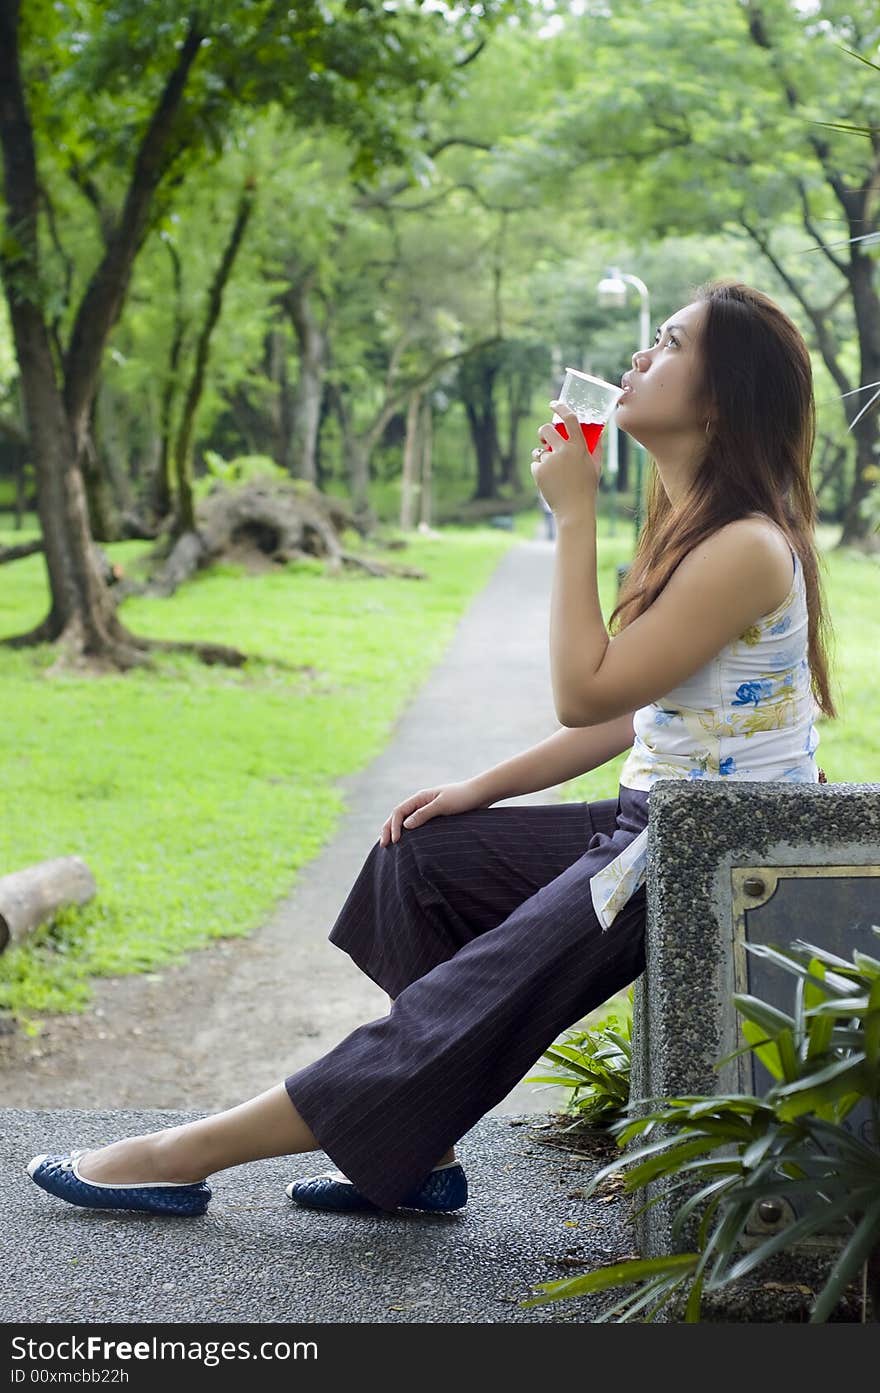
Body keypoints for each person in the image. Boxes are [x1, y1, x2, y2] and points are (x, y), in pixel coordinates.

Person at [27, 281, 836, 1219]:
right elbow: (644, 715)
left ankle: (180, 1152)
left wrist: (571, 516)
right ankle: (421, 1153)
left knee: (457, 1006)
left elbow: (587, 687)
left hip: (706, 855)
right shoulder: (698, 529)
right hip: (658, 822)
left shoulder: (745, 546)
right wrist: (476, 789)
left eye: (667, 343)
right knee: (420, 859)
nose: (637, 359)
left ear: (718, 399)